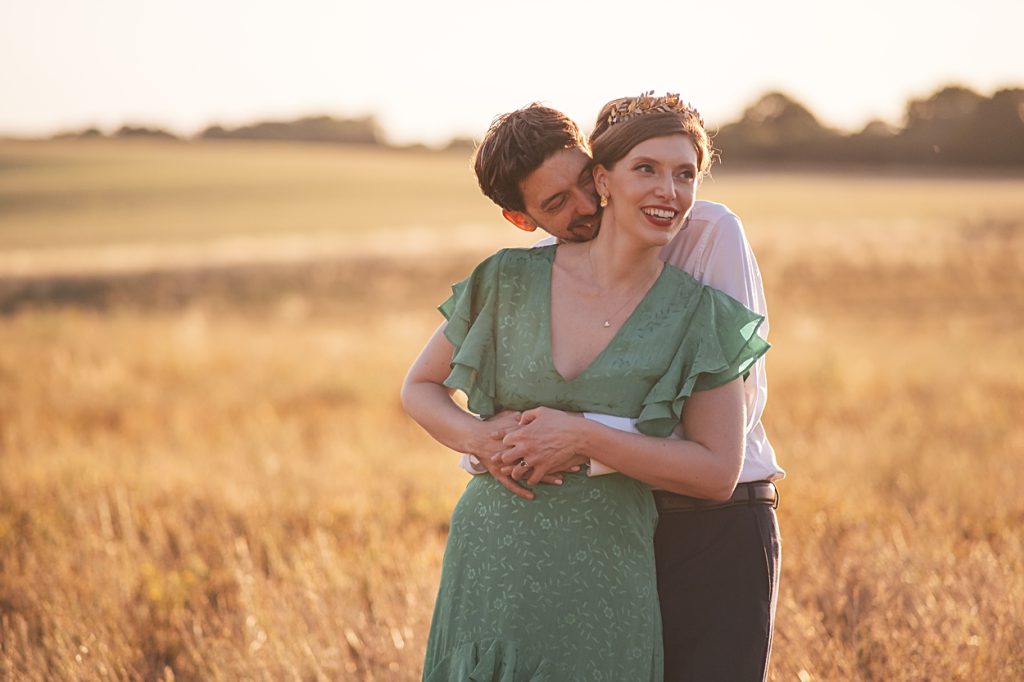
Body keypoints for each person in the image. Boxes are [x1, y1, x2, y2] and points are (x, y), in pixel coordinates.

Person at [402, 93, 770, 680]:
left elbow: (723, 449)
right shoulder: (512, 274)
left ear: (595, 170)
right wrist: (481, 440)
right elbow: (419, 386)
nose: (586, 205)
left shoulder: (707, 249)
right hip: (493, 554)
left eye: (683, 175)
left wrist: (582, 437)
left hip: (673, 535)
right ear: (526, 218)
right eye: (557, 201)